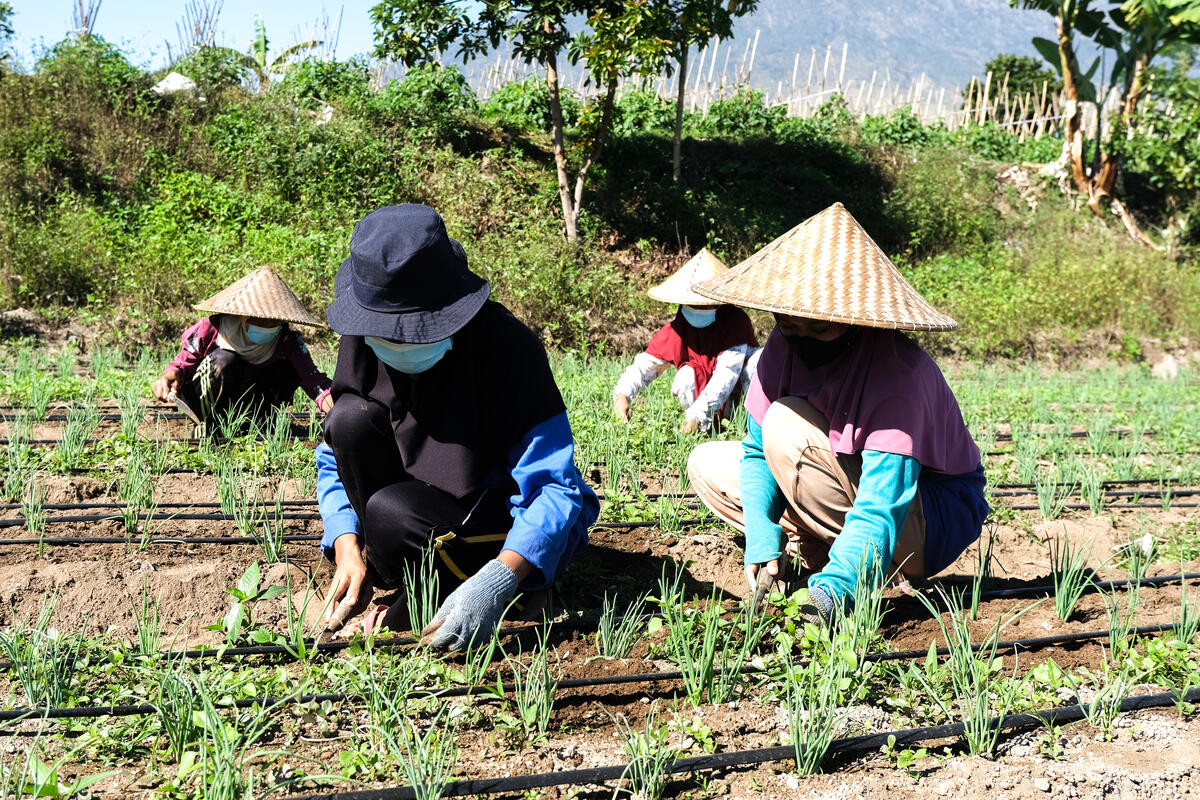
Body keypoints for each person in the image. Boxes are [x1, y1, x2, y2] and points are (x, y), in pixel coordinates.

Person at [686, 203, 989, 624]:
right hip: (842, 477)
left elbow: (883, 501)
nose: (803, 337)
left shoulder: (896, 373)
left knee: (785, 424)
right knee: (708, 463)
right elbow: (756, 453)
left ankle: (848, 565)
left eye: (821, 327)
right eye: (791, 325)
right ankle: (821, 547)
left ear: (856, 320)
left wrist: (833, 594)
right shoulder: (782, 346)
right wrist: (759, 531)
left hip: (926, 518)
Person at [318, 204, 599, 651]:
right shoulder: (362, 334)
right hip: (421, 505)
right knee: (349, 419)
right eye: (386, 335)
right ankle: (403, 573)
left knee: (392, 513)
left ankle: (507, 581)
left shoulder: (508, 350)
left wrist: (497, 581)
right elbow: (333, 454)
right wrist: (346, 544)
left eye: (412, 333)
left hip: (496, 510)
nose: (397, 345)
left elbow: (554, 489)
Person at [152, 266, 333, 426]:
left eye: (274, 321)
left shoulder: (287, 340)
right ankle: (208, 423)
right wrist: (171, 376)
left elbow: (315, 382)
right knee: (224, 360)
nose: (268, 325)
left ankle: (258, 422)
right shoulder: (214, 328)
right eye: (260, 318)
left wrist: (336, 405)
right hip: (206, 404)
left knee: (287, 370)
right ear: (243, 315)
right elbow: (182, 365)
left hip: (250, 405)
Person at [612, 248, 760, 434]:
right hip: (703, 401)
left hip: (737, 399)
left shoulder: (735, 321)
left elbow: (726, 376)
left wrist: (697, 417)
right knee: (685, 376)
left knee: (755, 363)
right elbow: (645, 365)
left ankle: (751, 427)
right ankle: (704, 429)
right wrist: (622, 395)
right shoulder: (679, 328)